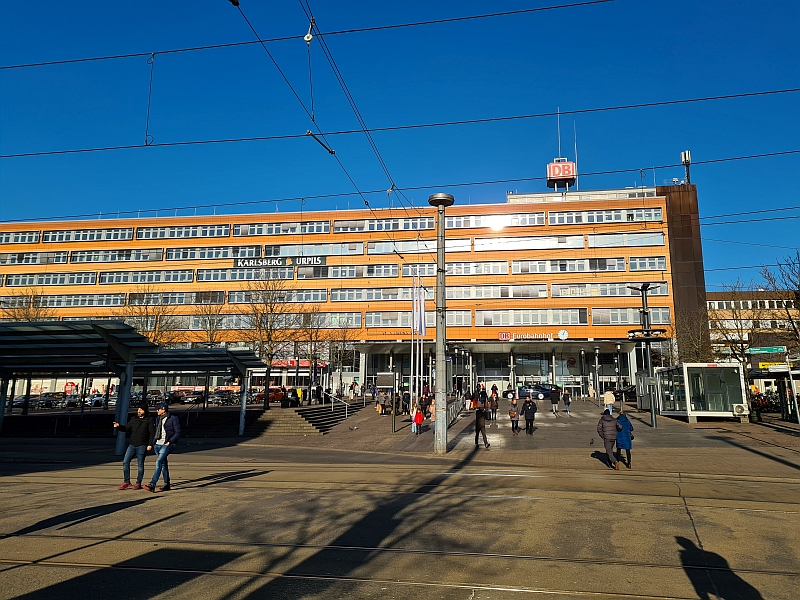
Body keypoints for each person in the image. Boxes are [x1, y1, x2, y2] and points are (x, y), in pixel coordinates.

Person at [113, 404, 154, 490]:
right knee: (125, 462)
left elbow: (151, 433)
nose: (139, 411)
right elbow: (126, 428)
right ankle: (126, 481)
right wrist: (118, 426)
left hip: (142, 445)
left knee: (140, 465)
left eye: (141, 410)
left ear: (145, 411)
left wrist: (150, 444)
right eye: (138, 409)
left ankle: (138, 483)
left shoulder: (149, 420)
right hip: (132, 444)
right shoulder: (134, 419)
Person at [146, 403, 181, 493]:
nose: (157, 411)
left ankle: (152, 484)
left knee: (158, 462)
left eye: (158, 409)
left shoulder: (173, 418)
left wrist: (169, 442)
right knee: (163, 464)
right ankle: (167, 484)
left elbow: (177, 432)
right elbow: (157, 431)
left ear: (163, 409)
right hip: (158, 444)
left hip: (166, 444)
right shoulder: (158, 419)